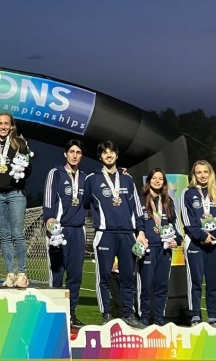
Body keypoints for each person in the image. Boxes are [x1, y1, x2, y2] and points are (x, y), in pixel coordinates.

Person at [84, 140, 147, 329]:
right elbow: (85, 203)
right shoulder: (92, 179)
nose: (109, 155)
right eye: (105, 153)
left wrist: (141, 231)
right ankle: (106, 315)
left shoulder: (127, 179)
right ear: (100, 157)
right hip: (104, 234)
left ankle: (129, 313)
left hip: (128, 234)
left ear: (117, 155)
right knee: (103, 277)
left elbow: (137, 207)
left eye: (112, 152)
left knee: (129, 276)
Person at [43, 139, 87, 327]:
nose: (75, 155)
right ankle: (54, 314)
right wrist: (49, 218)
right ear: (65, 154)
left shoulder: (86, 177)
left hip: (78, 230)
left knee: (75, 275)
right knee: (57, 273)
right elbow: (48, 197)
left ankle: (71, 313)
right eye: (71, 152)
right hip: (59, 231)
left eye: (78, 152)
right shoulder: (56, 173)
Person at [0, 113, 32, 288]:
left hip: (15, 193)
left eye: (7, 124)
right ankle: (10, 273)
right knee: (4, 236)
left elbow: (29, 168)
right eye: (0, 124)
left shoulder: (19, 143)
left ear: (12, 126)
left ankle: (22, 273)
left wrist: (22, 172)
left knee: (17, 234)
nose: (3, 127)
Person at [181, 160, 216, 328]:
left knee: (214, 281)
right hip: (195, 243)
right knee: (195, 281)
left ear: (210, 173)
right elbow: (187, 220)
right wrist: (202, 236)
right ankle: (195, 317)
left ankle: (213, 319)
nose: (202, 175)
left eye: (205, 172)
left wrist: (213, 236)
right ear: (194, 175)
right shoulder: (187, 193)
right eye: (198, 172)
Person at [137, 168, 183, 326]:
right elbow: (136, 224)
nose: (157, 181)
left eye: (160, 179)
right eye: (154, 178)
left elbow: (175, 225)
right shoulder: (140, 200)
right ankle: (144, 318)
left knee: (162, 286)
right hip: (148, 249)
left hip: (164, 250)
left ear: (164, 182)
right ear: (148, 181)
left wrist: (177, 240)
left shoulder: (168, 201)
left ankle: (159, 319)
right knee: (146, 286)